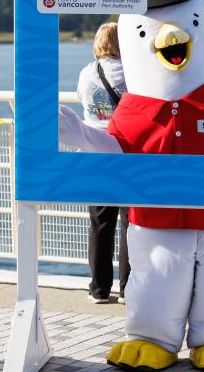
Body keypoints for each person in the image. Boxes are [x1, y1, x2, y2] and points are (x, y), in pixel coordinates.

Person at [77, 22, 130, 304]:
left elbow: (81, 101)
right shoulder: (134, 72)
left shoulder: (87, 73)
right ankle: (128, 288)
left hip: (94, 152)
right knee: (130, 222)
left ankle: (98, 289)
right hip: (126, 151)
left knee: (100, 222)